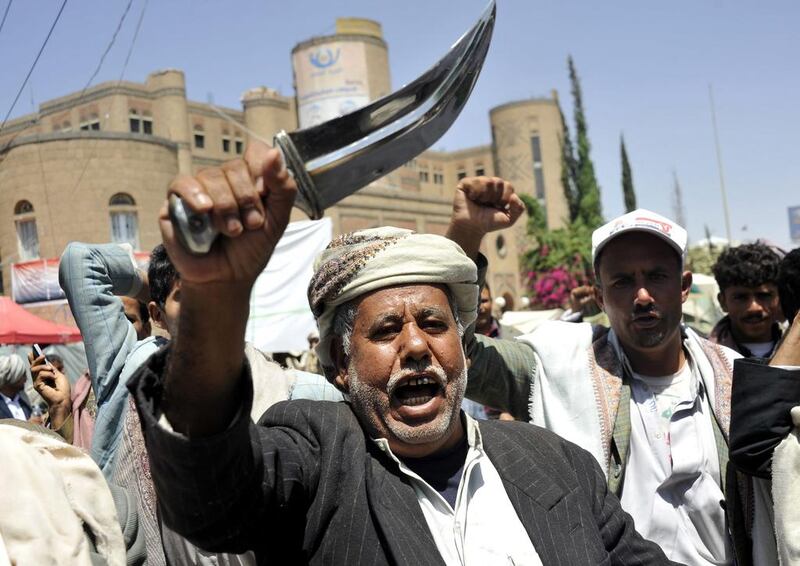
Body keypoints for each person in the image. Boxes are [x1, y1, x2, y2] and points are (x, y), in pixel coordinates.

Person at [128, 141, 675, 565]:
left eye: (435, 324)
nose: (416, 346)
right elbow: (212, 495)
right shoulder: (319, 455)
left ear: (463, 344)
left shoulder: (555, 462)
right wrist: (216, 296)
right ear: (339, 368)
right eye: (387, 330)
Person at [462, 208, 758, 566]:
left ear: (683, 287)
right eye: (623, 282)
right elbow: (463, 355)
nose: (643, 295)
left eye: (657, 276)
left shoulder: (734, 377)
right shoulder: (558, 365)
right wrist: (468, 231)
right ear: (600, 297)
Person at [710, 242, 783, 358]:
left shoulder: (795, 350)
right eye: (740, 297)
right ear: (723, 302)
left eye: (763, 296)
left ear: (779, 298)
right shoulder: (702, 358)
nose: (754, 308)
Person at [0, 354, 32, 421]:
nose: (26, 379)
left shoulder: (23, 398)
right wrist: (29, 425)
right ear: (12, 377)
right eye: (23, 375)